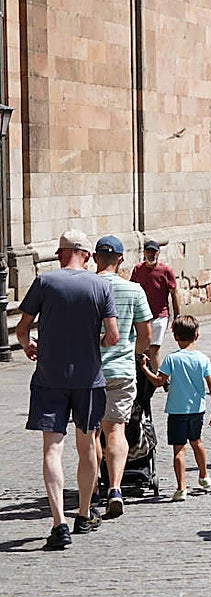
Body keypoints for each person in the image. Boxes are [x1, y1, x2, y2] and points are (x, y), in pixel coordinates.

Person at [17, 229, 119, 550]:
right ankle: (84, 514)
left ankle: (59, 523)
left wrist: (29, 346)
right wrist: (96, 343)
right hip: (88, 378)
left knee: (52, 448)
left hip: (50, 377)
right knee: (87, 445)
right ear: (86, 255)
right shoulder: (100, 286)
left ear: (60, 253)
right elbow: (113, 336)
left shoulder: (45, 283)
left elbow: (21, 330)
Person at [92, 235, 152, 518]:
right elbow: (146, 336)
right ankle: (115, 488)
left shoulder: (86, 288)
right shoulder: (134, 290)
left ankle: (92, 488)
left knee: (90, 433)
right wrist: (133, 353)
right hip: (122, 370)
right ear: (120, 259)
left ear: (94, 258)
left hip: (88, 371)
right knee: (114, 431)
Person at [139, 315, 211, 502]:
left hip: (176, 410)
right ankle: (204, 475)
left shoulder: (171, 359)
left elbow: (159, 382)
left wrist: (145, 368)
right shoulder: (202, 359)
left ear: (175, 336)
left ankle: (181, 488)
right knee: (197, 442)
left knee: (179, 450)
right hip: (197, 410)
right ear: (197, 335)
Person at [130, 239, 180, 375]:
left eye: (154, 252)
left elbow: (174, 293)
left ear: (158, 253)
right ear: (144, 252)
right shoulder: (138, 269)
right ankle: (148, 377)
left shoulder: (165, 270)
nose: (151, 255)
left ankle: (156, 378)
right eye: (148, 251)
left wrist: (177, 315)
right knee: (143, 349)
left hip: (160, 315)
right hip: (142, 316)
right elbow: (132, 290)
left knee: (154, 349)